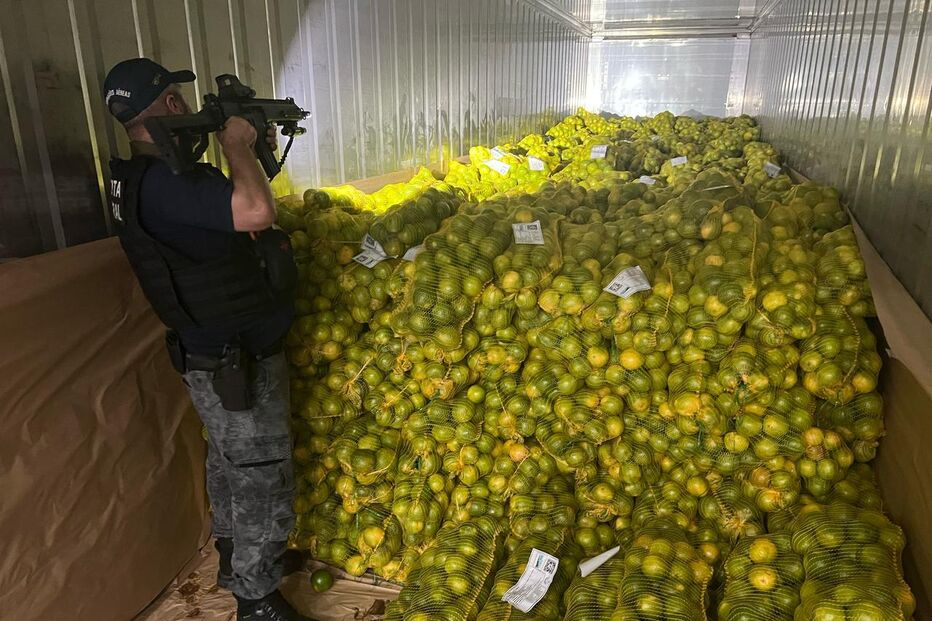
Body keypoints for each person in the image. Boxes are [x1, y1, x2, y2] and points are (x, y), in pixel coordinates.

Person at [103, 58, 309, 621]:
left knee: (227, 463)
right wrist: (238, 144)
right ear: (171, 105)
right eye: (179, 97)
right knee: (263, 475)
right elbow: (257, 210)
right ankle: (257, 599)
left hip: (212, 353)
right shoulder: (172, 184)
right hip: (232, 357)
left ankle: (236, 561)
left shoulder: (140, 176)